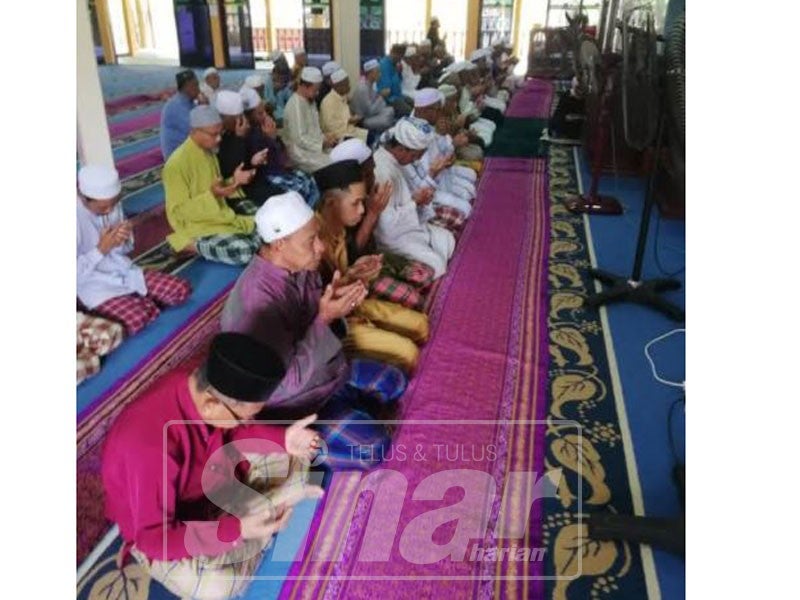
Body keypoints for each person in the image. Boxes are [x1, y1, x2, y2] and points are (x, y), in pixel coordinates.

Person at [102, 332, 325, 600]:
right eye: (244, 418)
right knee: (218, 589)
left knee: (296, 457)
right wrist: (237, 530)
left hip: (216, 477)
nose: (247, 423)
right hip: (166, 525)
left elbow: (236, 432)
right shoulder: (148, 447)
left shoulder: (197, 384)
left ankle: (254, 528)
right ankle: (255, 528)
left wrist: (285, 438)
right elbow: (153, 538)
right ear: (210, 405)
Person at [220, 191, 408, 469]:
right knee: (373, 449)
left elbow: (313, 309)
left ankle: (349, 413)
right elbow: (281, 387)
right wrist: (324, 319)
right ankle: (294, 452)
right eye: (312, 240)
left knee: (396, 381)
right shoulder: (257, 304)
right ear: (280, 244)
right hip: (294, 405)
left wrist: (347, 282)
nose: (321, 247)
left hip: (328, 376)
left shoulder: (299, 266)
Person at [314, 160, 429, 372]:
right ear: (330, 202)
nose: (362, 210)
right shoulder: (312, 241)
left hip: (351, 303)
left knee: (421, 326)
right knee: (408, 353)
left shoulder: (339, 227)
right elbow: (317, 301)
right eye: (356, 203)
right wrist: (350, 278)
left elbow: (343, 276)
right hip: (327, 325)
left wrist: (356, 272)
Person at [77, 165, 192, 335]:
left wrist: (124, 238)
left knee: (181, 290)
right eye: (103, 208)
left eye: (113, 204)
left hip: (124, 271)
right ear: (83, 198)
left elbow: (125, 250)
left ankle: (136, 302)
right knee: (138, 319)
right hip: (93, 284)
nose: (109, 211)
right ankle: (126, 305)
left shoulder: (111, 203)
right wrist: (101, 250)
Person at [329, 139, 435, 311]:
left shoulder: (366, 189)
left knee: (425, 275)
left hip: (374, 254)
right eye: (369, 172)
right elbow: (352, 254)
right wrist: (372, 214)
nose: (373, 175)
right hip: (354, 271)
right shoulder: (342, 201)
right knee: (415, 301)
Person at [163, 105, 261, 265]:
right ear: (194, 131)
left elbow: (218, 188)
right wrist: (213, 195)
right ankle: (190, 246)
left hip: (219, 213)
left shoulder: (208, 153)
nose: (219, 139)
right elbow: (178, 213)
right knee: (245, 251)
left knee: (268, 224)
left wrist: (236, 180)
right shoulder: (176, 164)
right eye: (213, 134)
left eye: (220, 133)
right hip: (196, 225)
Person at [372, 117, 455, 279]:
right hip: (394, 238)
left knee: (448, 240)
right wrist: (415, 202)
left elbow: (414, 194)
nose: (416, 160)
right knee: (437, 265)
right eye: (415, 155)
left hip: (409, 225)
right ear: (402, 149)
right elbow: (386, 227)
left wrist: (418, 200)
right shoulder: (384, 171)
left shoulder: (396, 161)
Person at [241, 88, 320, 207]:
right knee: (300, 192)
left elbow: (281, 153)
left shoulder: (262, 127)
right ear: (248, 116)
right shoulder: (248, 135)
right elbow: (265, 164)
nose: (265, 116)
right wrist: (270, 139)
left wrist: (273, 137)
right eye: (260, 113)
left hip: (280, 170)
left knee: (311, 181)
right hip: (267, 177)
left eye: (265, 112)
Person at [408, 88, 475, 219]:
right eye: (437, 110)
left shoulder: (431, 125)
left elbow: (445, 154)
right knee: (466, 208)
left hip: (442, 175)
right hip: (425, 187)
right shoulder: (411, 134)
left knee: (470, 181)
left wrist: (450, 146)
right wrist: (451, 146)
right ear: (422, 111)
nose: (440, 114)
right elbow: (425, 173)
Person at [214, 90, 283, 206]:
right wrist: (239, 139)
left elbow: (247, 165)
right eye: (238, 117)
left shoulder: (237, 132)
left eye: (242, 116)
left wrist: (253, 161)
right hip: (232, 189)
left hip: (251, 181)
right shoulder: (216, 136)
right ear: (224, 117)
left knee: (282, 195)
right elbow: (229, 171)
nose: (242, 120)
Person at [282, 67, 336, 173]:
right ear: (304, 86)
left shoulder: (310, 100)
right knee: (333, 164)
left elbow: (314, 129)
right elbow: (300, 139)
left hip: (315, 147)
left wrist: (325, 138)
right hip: (300, 153)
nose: (317, 93)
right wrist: (322, 144)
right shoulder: (295, 105)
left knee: (341, 156)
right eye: (315, 90)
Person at [437, 83, 485, 165]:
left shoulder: (452, 110)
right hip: (450, 149)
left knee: (479, 144)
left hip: (458, 142)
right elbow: (443, 142)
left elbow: (459, 131)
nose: (454, 103)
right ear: (444, 102)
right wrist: (457, 127)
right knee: (476, 154)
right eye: (451, 100)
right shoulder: (438, 117)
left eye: (455, 100)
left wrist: (467, 133)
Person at [160, 69, 201, 160]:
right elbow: (198, 131)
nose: (199, 89)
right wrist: (204, 107)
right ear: (187, 87)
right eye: (196, 85)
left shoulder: (190, 102)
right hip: (177, 157)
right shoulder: (176, 106)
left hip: (187, 149)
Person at [320, 68, 368, 144]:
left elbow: (344, 115)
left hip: (349, 130)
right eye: (346, 84)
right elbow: (330, 126)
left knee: (370, 135)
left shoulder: (343, 97)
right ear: (338, 86)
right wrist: (349, 120)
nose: (349, 87)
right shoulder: (328, 101)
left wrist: (353, 118)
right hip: (338, 136)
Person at [350, 58, 396, 137]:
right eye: (378, 72)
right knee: (386, 120)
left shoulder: (371, 84)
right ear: (370, 73)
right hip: (362, 120)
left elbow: (374, 102)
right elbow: (369, 112)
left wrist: (379, 97)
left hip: (370, 114)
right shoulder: (363, 88)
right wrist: (381, 96)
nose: (380, 75)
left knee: (390, 110)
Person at [378, 44, 414, 117]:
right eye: (398, 57)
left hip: (398, 95)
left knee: (414, 104)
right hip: (390, 99)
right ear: (392, 52)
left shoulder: (395, 64)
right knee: (409, 111)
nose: (400, 60)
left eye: (401, 57)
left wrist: (399, 73)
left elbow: (399, 82)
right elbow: (387, 90)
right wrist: (396, 73)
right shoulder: (384, 65)